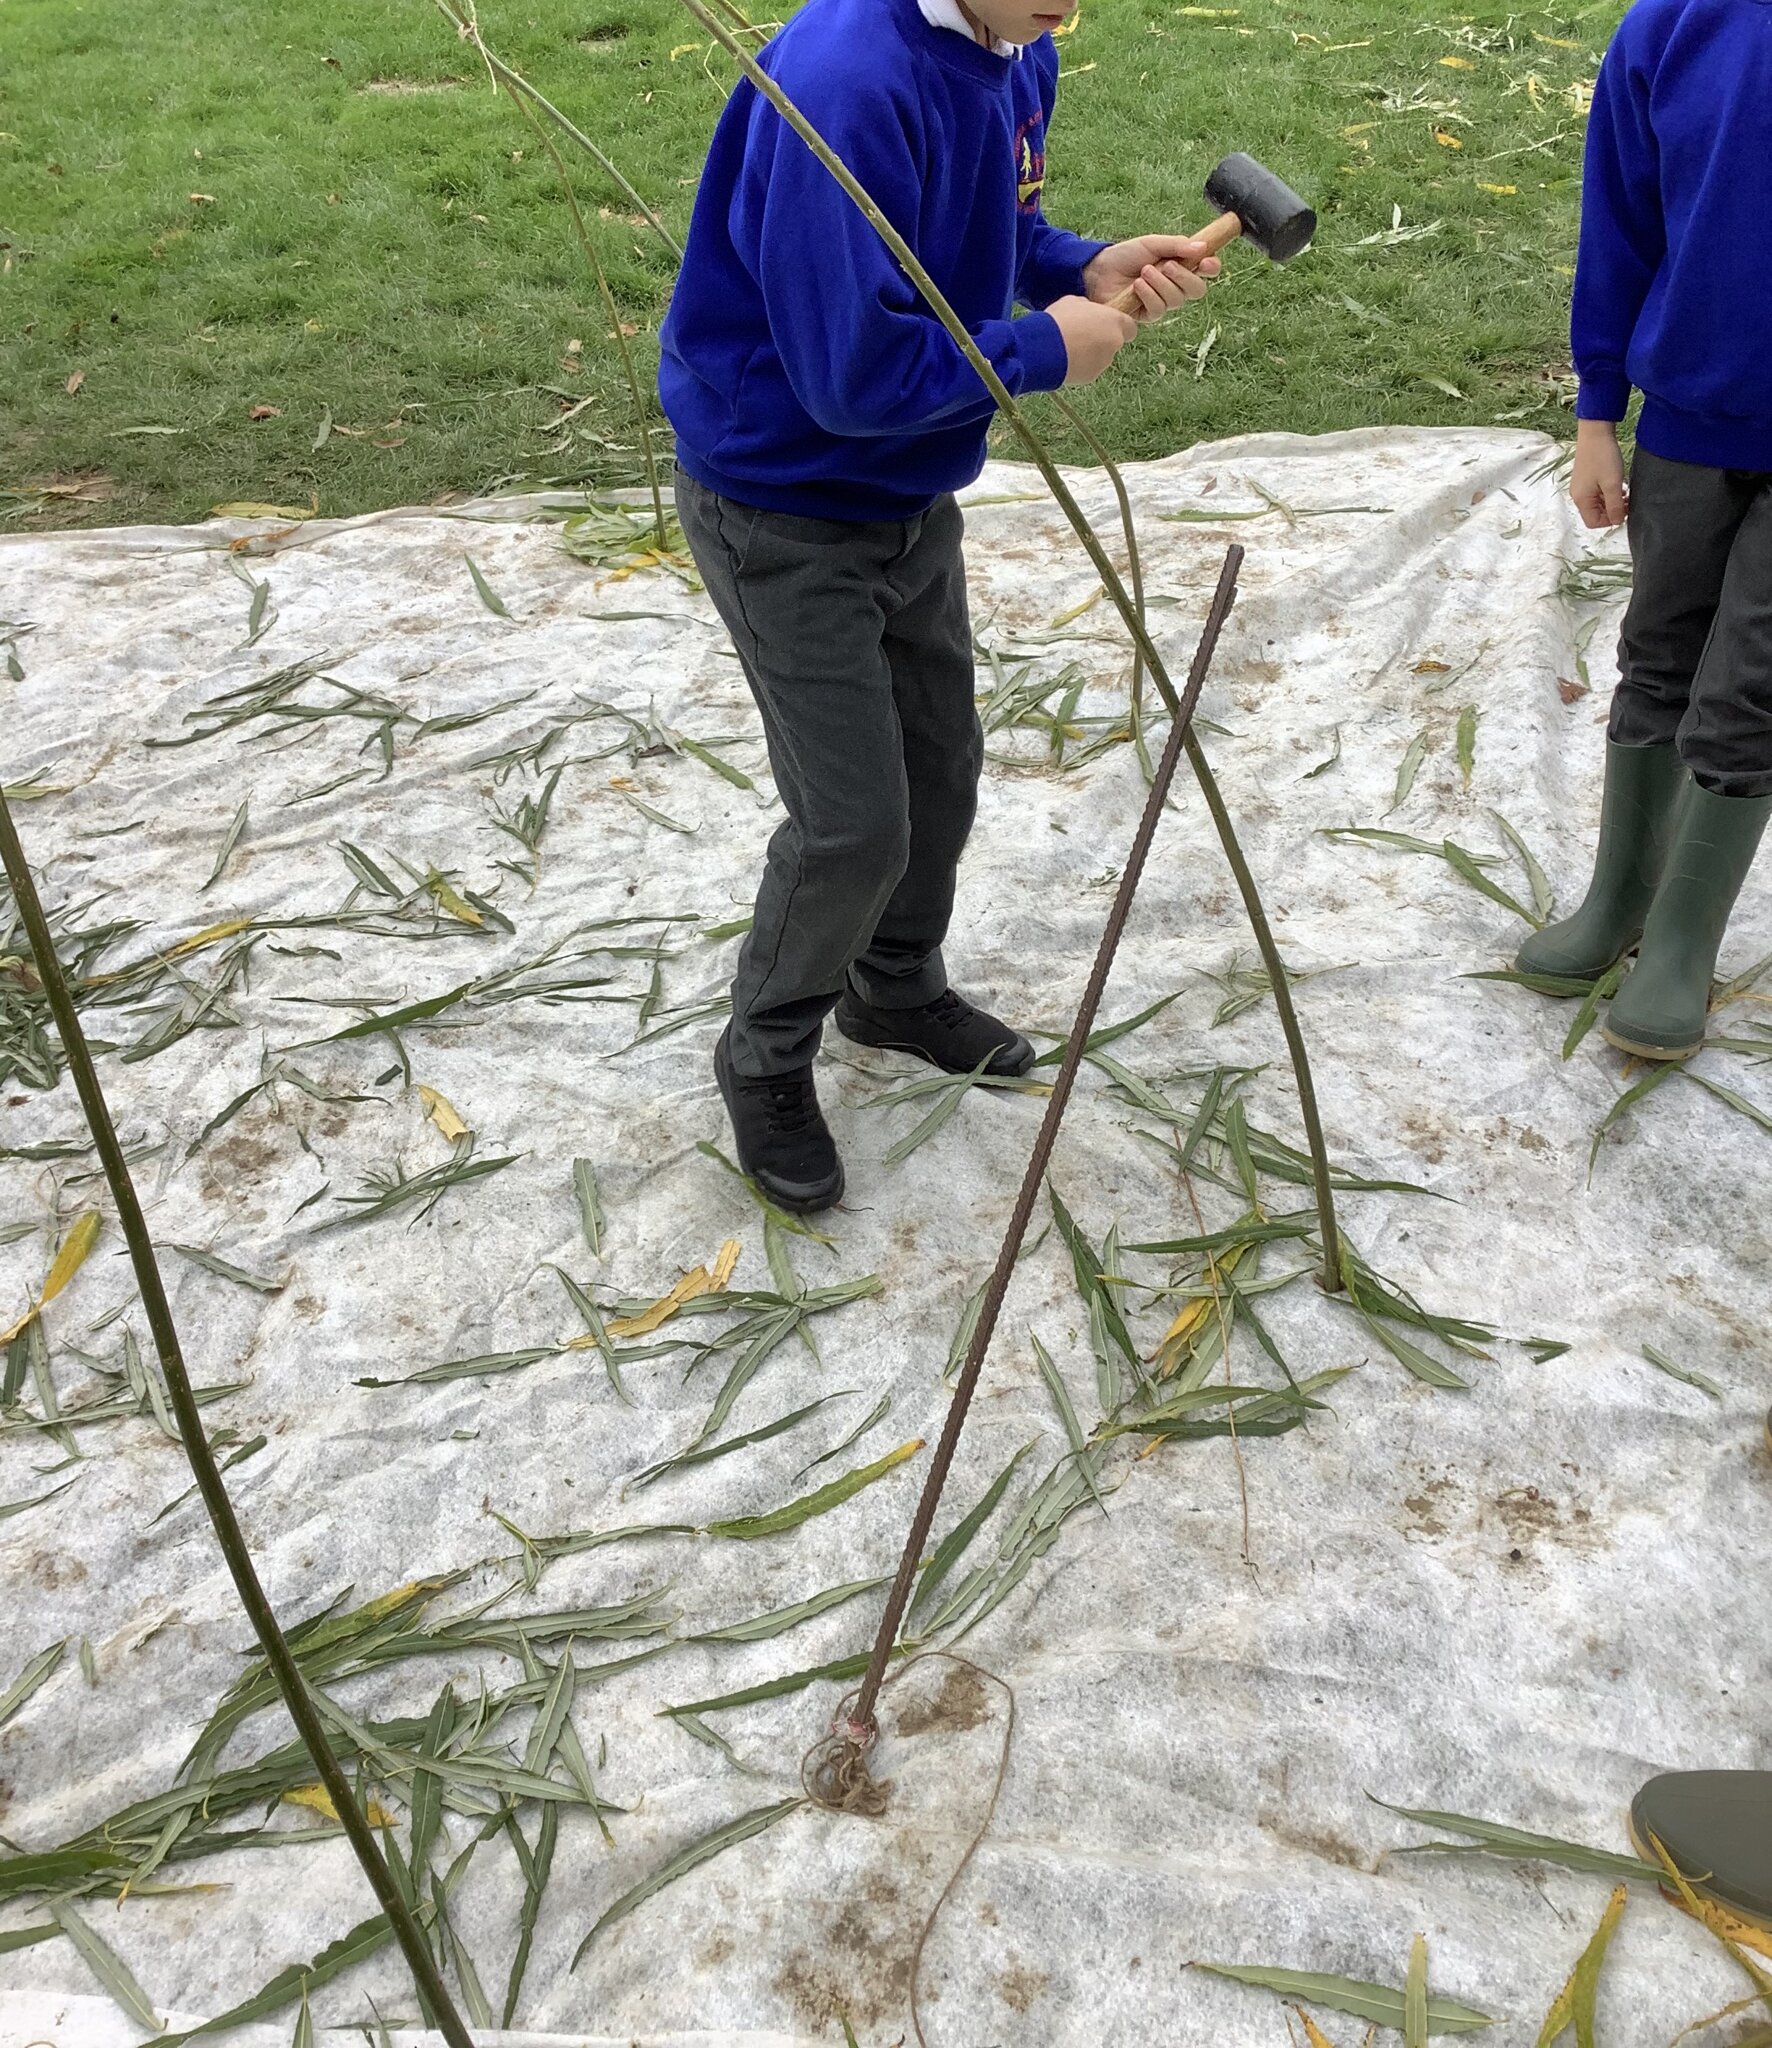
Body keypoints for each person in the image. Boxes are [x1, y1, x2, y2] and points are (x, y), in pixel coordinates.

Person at [658, 0, 1218, 1212]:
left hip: (908, 491)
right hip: (785, 501)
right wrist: (1037, 350)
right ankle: (764, 1053)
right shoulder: (846, 85)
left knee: (941, 765)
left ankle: (892, 985)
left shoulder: (1014, 40)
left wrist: (1076, 266)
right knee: (852, 822)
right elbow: (851, 376)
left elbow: (974, 234)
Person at [1516, 0, 1771, 1062]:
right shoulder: (1669, 26)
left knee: (1750, 681)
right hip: (1686, 421)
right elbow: (1618, 220)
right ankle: (1619, 898)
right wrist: (1595, 417)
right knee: (1658, 648)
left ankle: (1680, 942)